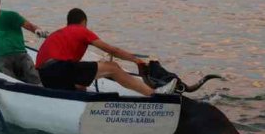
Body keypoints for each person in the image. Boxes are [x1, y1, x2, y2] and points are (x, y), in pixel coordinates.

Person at [35, 8, 175, 95]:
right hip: (58, 69)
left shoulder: (58, 34)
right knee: (112, 67)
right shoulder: (81, 30)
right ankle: (154, 94)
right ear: (84, 22)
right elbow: (112, 50)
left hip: (45, 76)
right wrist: (135, 60)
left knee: (83, 83)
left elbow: (71, 69)